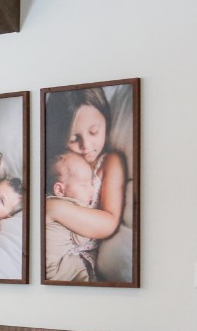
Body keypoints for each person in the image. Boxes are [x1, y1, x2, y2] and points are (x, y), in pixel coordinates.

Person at [44, 90, 131, 280]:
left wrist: (55, 208)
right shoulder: (57, 163)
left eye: (94, 131)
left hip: (73, 264)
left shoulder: (109, 163)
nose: (86, 146)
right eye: (74, 138)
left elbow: (109, 222)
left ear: (106, 119)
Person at [44, 149, 101, 283]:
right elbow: (82, 238)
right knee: (82, 271)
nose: (92, 190)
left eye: (91, 183)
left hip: (45, 267)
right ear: (60, 190)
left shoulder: (49, 201)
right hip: (55, 269)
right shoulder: (72, 205)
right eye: (84, 184)